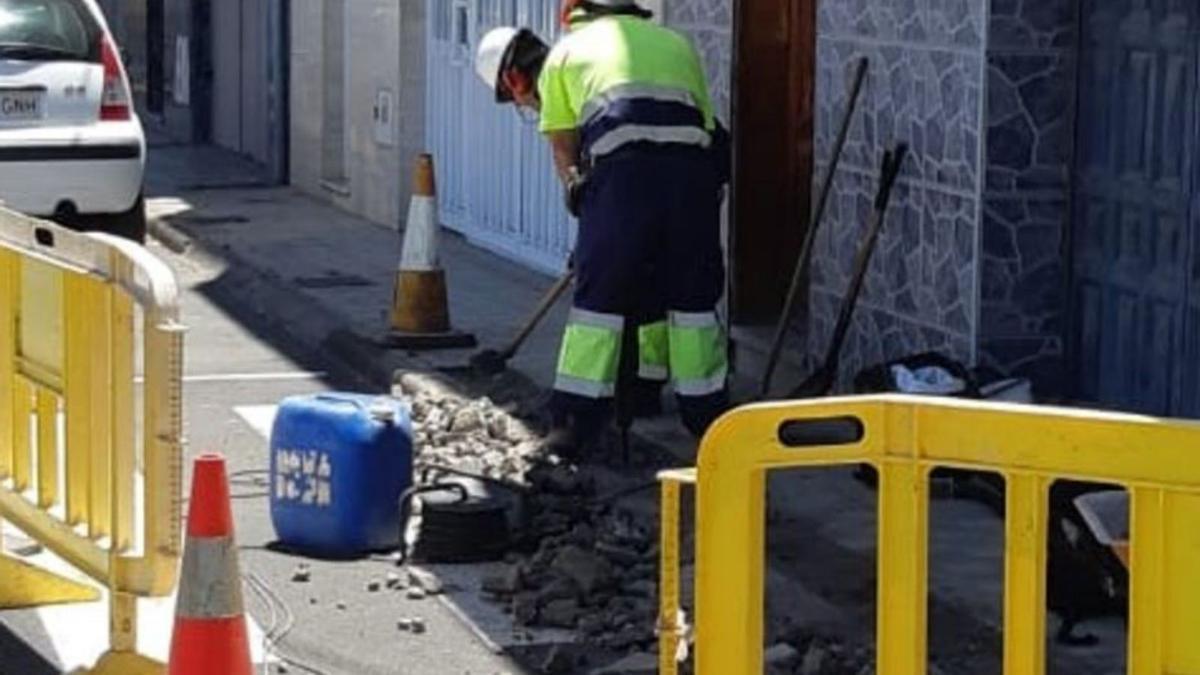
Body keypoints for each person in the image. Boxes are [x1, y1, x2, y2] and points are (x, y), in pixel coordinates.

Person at [475, 0, 729, 454]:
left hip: (625, 176)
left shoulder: (564, 57)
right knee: (691, 297)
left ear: (514, 80)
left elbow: (565, 153)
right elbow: (708, 127)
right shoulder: (675, 42)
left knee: (600, 301)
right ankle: (707, 419)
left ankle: (574, 425)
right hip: (695, 178)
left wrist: (588, 216)